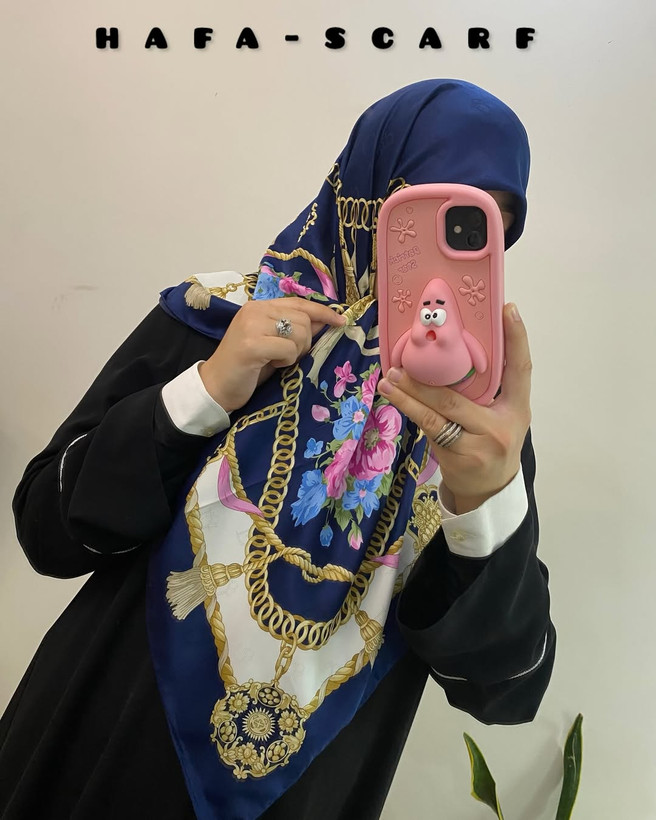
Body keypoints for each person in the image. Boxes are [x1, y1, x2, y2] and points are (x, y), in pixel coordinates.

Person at [0, 79, 555, 820]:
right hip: (91, 747)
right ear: (365, 194)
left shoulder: (477, 428)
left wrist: (487, 502)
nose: (446, 252)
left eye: (485, 224)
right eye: (426, 208)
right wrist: (204, 391)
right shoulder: (213, 321)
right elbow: (46, 529)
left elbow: (505, 689)